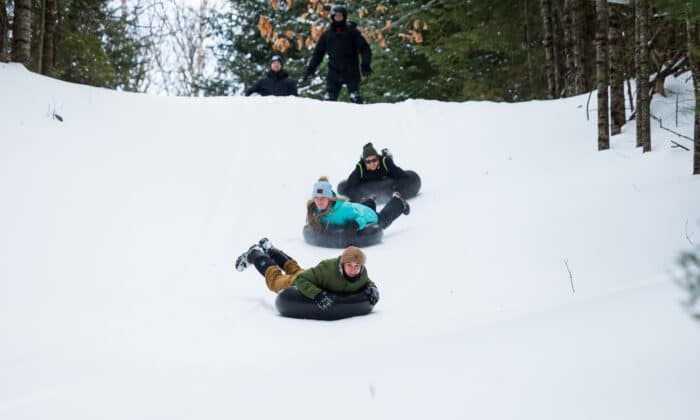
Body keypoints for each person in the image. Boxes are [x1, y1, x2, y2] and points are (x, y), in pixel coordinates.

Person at [235, 238, 380, 310]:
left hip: (312, 277)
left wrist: (373, 288)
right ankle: (255, 254)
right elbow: (301, 279)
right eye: (349, 265)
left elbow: (366, 281)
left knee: (295, 269)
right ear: (342, 264)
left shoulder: (361, 273)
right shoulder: (327, 270)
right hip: (298, 282)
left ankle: (271, 250)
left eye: (357, 266)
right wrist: (317, 294)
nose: (354, 269)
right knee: (276, 280)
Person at [301, 5, 372, 104]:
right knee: (330, 100)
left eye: (340, 16)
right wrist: (311, 69)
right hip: (334, 70)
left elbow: (365, 49)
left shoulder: (352, 32)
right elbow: (318, 54)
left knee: (355, 98)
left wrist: (365, 63)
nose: (338, 19)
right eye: (336, 16)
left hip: (351, 70)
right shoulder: (327, 34)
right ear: (332, 17)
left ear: (344, 17)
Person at [307, 176, 409, 234]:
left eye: (323, 198)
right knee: (361, 208)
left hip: (364, 214)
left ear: (329, 199)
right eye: (316, 198)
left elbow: (361, 217)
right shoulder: (315, 209)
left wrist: (356, 224)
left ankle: (398, 201)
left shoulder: (344, 210)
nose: (319, 201)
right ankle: (369, 201)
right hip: (357, 208)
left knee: (382, 220)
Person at [341, 142, 413, 198]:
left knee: (388, 160)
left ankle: (386, 154)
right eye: (368, 162)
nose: (372, 164)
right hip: (368, 182)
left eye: (374, 160)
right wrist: (358, 197)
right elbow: (348, 187)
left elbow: (404, 176)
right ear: (364, 162)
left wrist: (396, 188)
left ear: (378, 158)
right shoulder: (360, 169)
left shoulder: (385, 163)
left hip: (385, 178)